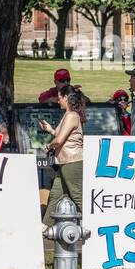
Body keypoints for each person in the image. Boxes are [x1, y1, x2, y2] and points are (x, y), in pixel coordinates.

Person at [40, 84, 86, 223]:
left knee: (77, 196)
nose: (58, 100)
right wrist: (50, 130)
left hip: (72, 161)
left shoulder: (72, 115)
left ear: (66, 97)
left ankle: (94, 225)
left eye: (60, 97)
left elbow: (59, 141)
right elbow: (64, 137)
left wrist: (49, 145)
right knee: (56, 195)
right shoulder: (68, 115)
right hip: (65, 161)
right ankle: (45, 227)